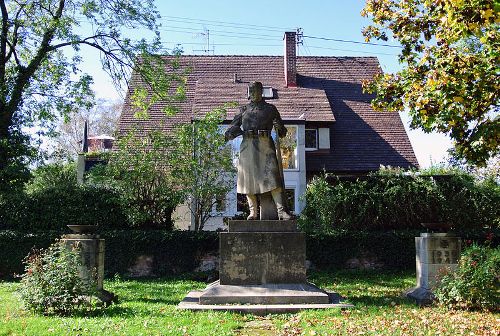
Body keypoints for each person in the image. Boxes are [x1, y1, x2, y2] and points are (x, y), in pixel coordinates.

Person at [225, 81, 293, 220]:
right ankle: (253, 212)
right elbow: (231, 129)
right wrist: (232, 132)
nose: (253, 93)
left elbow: (282, 132)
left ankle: (281, 212)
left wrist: (279, 126)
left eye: (256, 90)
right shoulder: (243, 110)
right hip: (248, 146)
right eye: (251, 91)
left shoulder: (270, 109)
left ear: (261, 92)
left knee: (272, 177)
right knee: (248, 180)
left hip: (265, 144)